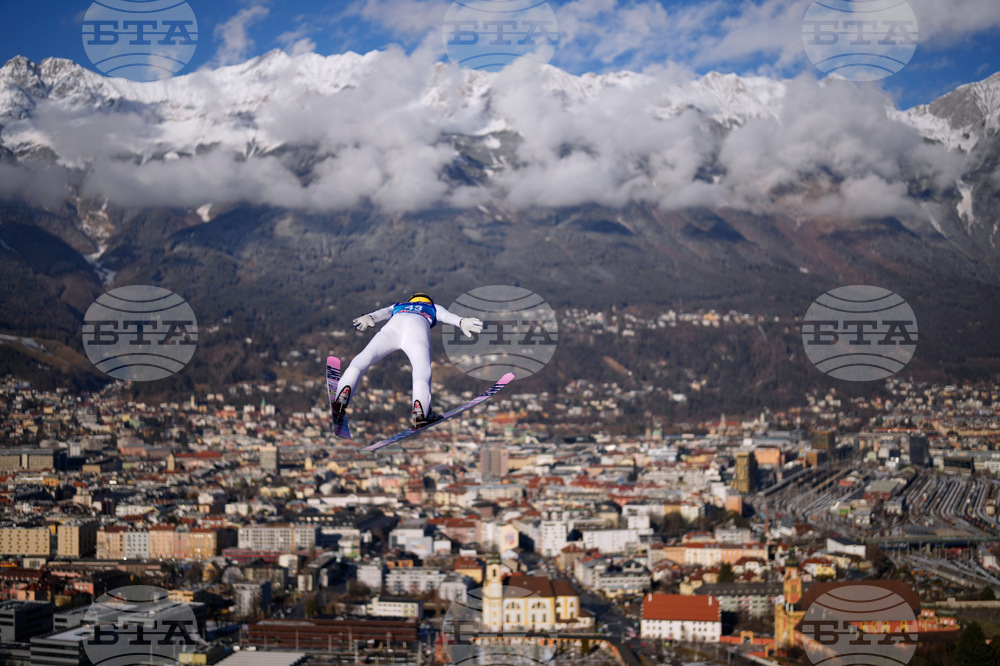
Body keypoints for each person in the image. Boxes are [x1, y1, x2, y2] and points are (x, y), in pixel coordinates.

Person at [333, 293, 483, 427]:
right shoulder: (433, 307)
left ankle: (342, 394)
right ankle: (421, 412)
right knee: (421, 370)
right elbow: (446, 316)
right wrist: (461, 322)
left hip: (392, 329)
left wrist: (370, 317)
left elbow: (383, 312)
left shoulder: (399, 305)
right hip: (417, 330)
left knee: (365, 357)